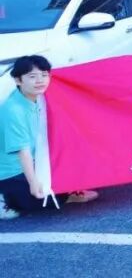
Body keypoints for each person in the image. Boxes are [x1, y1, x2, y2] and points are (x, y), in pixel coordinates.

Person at [0, 56, 98, 219]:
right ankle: (6, 198)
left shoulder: (36, 96)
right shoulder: (13, 110)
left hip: (37, 158)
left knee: (84, 167)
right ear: (18, 80)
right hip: (12, 170)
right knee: (44, 198)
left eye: (44, 75)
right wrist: (33, 183)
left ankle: (65, 190)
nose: (40, 81)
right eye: (32, 76)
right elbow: (23, 152)